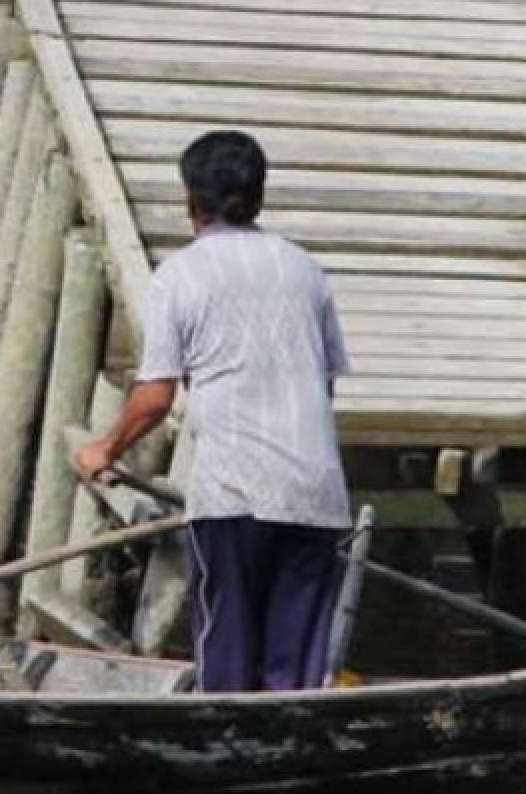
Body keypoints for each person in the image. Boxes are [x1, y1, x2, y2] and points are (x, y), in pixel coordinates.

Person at [72, 131, 351, 692]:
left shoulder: (180, 276)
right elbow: (323, 389)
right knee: (294, 670)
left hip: (235, 495)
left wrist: (103, 448)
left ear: (191, 203)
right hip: (317, 496)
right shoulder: (306, 271)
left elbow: (154, 399)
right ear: (258, 198)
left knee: (227, 652)